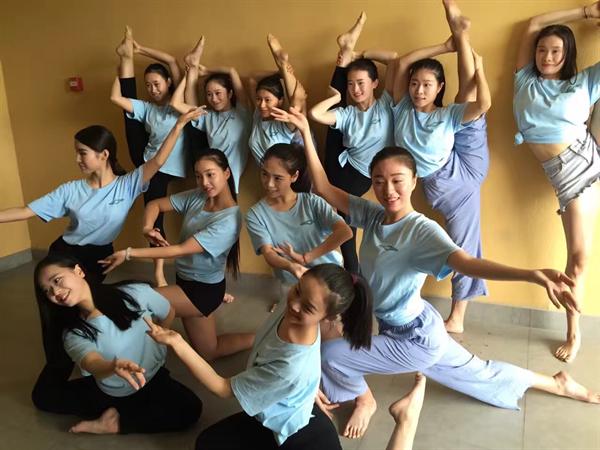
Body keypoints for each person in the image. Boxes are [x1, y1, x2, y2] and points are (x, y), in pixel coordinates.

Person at [271, 106, 598, 442]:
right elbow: (324, 187)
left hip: (414, 339)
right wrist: (305, 131)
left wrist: (531, 275)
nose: (388, 190)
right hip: (419, 325)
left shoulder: (422, 231)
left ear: (414, 181)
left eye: (397, 180)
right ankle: (556, 382)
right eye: (379, 181)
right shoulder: (373, 216)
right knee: (480, 374)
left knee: (332, 356)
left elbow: (467, 263)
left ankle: (364, 401)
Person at [0, 110, 201, 381]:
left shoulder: (128, 185)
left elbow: (158, 160)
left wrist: (179, 125)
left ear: (104, 155)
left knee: (87, 308)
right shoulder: (70, 190)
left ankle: (97, 362)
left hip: (99, 255)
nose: (77, 159)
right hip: (66, 254)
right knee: (55, 313)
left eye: (82, 153)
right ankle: (58, 367)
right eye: (77, 153)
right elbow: (26, 211)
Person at [145, 263, 373, 449]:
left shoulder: (289, 367)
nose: (294, 305)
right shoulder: (296, 303)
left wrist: (177, 342)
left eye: (307, 307)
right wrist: (308, 387)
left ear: (328, 317)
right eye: (298, 290)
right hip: (282, 404)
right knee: (206, 443)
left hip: (290, 430)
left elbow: (223, 388)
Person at [388, 0, 491, 333]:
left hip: (461, 179)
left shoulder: (445, 115)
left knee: (463, 247)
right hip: (449, 174)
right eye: (415, 83)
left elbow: (482, 103)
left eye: (427, 85)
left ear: (438, 87)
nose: (419, 90)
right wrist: (446, 45)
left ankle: (457, 317)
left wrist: (479, 69)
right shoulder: (401, 108)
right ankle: (460, 35)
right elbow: (403, 62)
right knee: (465, 99)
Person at [99, 149, 253, 361]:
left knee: (138, 302)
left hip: (202, 292)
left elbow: (180, 249)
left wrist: (128, 253)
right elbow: (155, 204)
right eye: (198, 176)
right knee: (210, 351)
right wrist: (147, 228)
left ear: (226, 173)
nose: (204, 182)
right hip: (185, 281)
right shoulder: (199, 196)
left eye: (210, 174)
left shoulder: (229, 221)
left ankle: (135, 356)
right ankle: (261, 337)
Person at [513, 1, 600, 363]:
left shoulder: (583, 83)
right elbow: (534, 22)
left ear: (567, 55)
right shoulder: (524, 80)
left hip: (585, 166)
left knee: (578, 259)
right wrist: (585, 12)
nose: (547, 56)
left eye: (556, 51)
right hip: (563, 175)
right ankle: (573, 329)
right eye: (542, 50)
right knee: (577, 258)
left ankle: (573, 333)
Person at [31, 254, 202, 434]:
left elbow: (168, 311)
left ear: (78, 271)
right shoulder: (74, 333)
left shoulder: (134, 293)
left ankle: (116, 421)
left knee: (190, 409)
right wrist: (113, 367)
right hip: (112, 391)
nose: (55, 292)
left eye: (57, 280)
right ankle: (115, 422)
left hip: (153, 377)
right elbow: (92, 363)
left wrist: (161, 340)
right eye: (47, 290)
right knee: (43, 396)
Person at [111, 26, 202, 284]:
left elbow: (172, 61)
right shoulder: (148, 107)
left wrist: (141, 49)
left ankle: (128, 55)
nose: (152, 89)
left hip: (174, 163)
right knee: (154, 219)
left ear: (169, 82)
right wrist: (121, 71)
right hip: (150, 162)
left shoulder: (178, 103)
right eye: (148, 85)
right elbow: (118, 99)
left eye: (157, 84)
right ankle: (159, 272)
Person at [310, 12, 395, 274]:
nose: (355, 89)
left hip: (356, 172)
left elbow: (394, 59)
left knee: (344, 219)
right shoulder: (347, 112)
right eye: (350, 84)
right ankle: (352, 272)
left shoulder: (385, 104)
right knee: (344, 219)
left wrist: (360, 55)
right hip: (341, 158)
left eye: (361, 83)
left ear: (375, 83)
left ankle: (347, 51)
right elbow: (316, 114)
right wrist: (336, 98)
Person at [246, 143, 352, 309]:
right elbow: (269, 253)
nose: (269, 184)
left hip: (329, 280)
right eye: (264, 174)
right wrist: (292, 266)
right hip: (293, 283)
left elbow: (345, 232)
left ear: (294, 176)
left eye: (277, 178)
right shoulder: (255, 214)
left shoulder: (312, 203)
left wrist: (306, 258)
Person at [171, 37, 252, 193]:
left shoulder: (243, 113)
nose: (213, 99)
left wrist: (207, 71)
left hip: (229, 181)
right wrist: (188, 73)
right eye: (209, 94)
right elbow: (175, 103)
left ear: (230, 93)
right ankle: (192, 65)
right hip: (209, 182)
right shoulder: (209, 117)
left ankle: (194, 65)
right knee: (193, 116)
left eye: (218, 93)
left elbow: (232, 71)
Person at [248, 34, 308, 164]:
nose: (262, 105)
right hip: (266, 174)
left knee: (298, 102)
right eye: (258, 99)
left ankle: (283, 64)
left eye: (268, 100)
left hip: (288, 175)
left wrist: (284, 72)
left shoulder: (284, 123)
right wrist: (278, 73)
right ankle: (283, 65)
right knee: (297, 101)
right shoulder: (257, 115)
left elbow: (298, 101)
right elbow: (252, 78)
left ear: (280, 101)